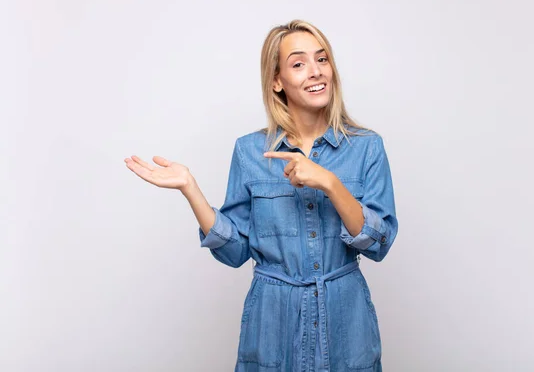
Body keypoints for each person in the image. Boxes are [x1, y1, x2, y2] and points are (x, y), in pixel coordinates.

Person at [124, 19, 398, 372]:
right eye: (299, 64)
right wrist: (190, 189)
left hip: (346, 321)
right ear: (277, 81)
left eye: (323, 59)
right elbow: (235, 251)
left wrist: (331, 182)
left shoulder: (366, 147)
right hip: (273, 323)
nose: (316, 72)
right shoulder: (250, 151)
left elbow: (379, 244)